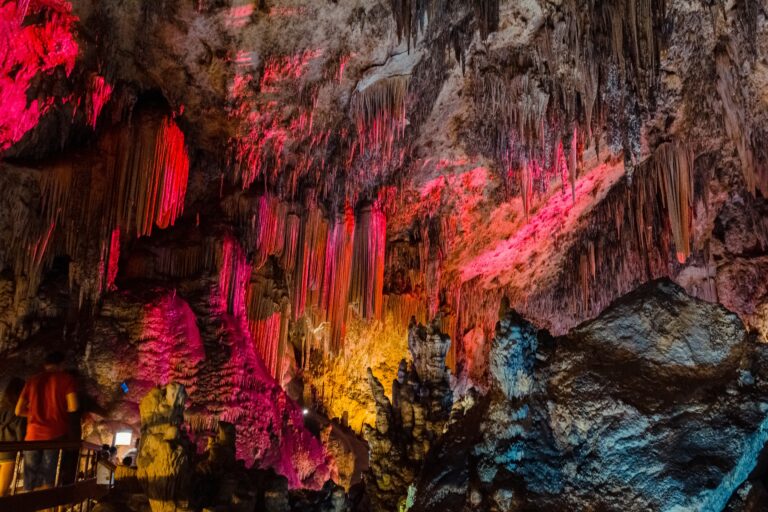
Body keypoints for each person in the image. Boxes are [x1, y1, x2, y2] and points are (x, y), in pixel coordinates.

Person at [15, 351, 80, 491]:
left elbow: (18, 410)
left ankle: (26, 505)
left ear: (45, 365)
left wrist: (34, 414)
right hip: (54, 434)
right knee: (47, 477)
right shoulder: (67, 379)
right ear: (61, 364)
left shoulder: (32, 380)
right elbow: (73, 406)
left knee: (29, 479)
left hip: (32, 435)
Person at [0, 377, 25, 496]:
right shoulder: (18, 410)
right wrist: (23, 449)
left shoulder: (1, 406)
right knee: (2, 490)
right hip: (8, 453)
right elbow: (20, 431)